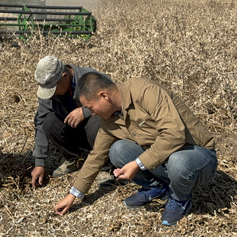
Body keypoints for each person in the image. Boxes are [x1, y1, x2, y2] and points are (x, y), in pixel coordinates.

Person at [54, 72, 218, 226]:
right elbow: (96, 156)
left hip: (196, 155)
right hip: (164, 159)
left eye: (90, 107)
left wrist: (138, 163)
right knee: (117, 150)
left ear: (104, 96)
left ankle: (180, 198)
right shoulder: (110, 118)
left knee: (179, 161)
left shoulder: (145, 92)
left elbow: (174, 135)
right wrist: (73, 194)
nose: (92, 113)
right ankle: (157, 187)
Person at [31, 56, 111, 189]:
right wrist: (39, 162)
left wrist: (85, 111)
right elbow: (40, 122)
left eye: (53, 89)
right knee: (48, 121)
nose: (50, 94)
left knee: (97, 121)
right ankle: (74, 158)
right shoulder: (50, 90)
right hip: (75, 130)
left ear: (64, 76)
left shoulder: (90, 78)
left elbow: (113, 102)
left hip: (98, 128)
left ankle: (106, 165)